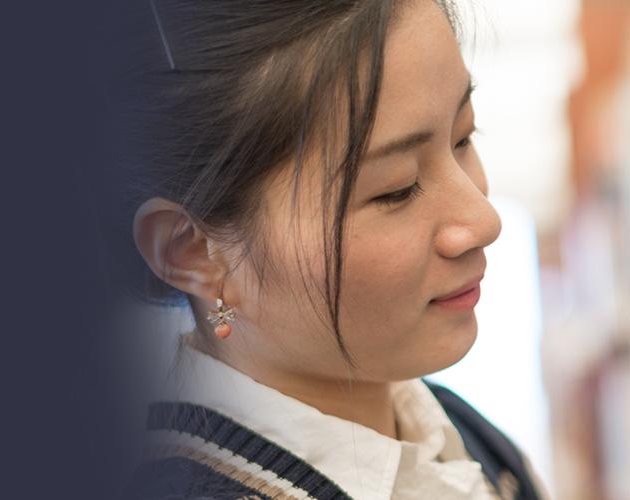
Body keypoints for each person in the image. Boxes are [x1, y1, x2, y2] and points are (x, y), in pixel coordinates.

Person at [121, 0, 541, 498]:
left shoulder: (463, 436)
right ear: (192, 252)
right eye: (397, 189)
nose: (482, 220)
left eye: (463, 138)